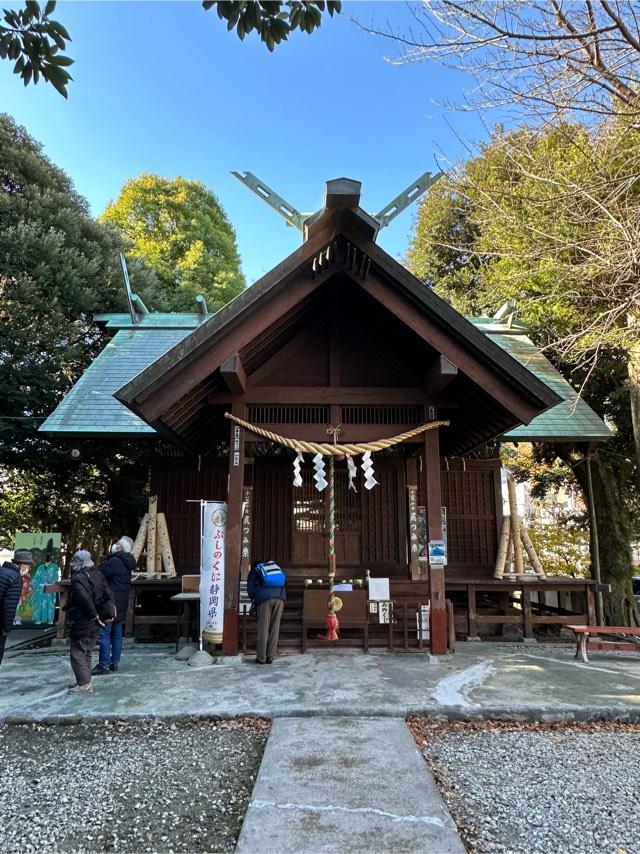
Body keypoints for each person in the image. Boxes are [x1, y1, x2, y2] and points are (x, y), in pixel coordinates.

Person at [66, 549, 115, 694]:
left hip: (85, 618)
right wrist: (107, 613)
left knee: (77, 651)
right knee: (86, 649)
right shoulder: (98, 574)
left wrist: (94, 616)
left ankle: (85, 684)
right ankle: (84, 678)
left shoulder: (78, 578)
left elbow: (83, 599)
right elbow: (109, 594)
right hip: (97, 619)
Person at [93, 536, 136, 675]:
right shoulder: (128, 562)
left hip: (110, 603)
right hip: (121, 602)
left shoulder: (115, 562)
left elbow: (100, 574)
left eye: (117, 543)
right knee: (117, 633)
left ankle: (103, 664)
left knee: (104, 633)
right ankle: (114, 662)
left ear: (119, 547)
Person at [247, 560, 286, 665]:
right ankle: (270, 657)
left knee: (263, 628)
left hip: (264, 599)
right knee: (275, 627)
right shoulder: (276, 567)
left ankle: (261, 658)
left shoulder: (256, 570)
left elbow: (250, 587)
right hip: (280, 599)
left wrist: (254, 598)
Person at [0, 550, 33, 666]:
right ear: (21, 564)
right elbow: (8, 607)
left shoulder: (2, 571)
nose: (29, 567)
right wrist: (6, 628)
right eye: (28, 564)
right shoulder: (15, 577)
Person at [31, 553, 60, 624]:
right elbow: (35, 577)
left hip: (50, 588)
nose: (48, 557)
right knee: (39, 603)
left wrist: (50, 584)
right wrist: (37, 585)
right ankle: (38, 619)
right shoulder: (40, 567)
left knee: (49, 603)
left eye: (49, 556)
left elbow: (56, 577)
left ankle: (50, 619)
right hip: (40, 588)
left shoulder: (55, 566)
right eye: (47, 556)